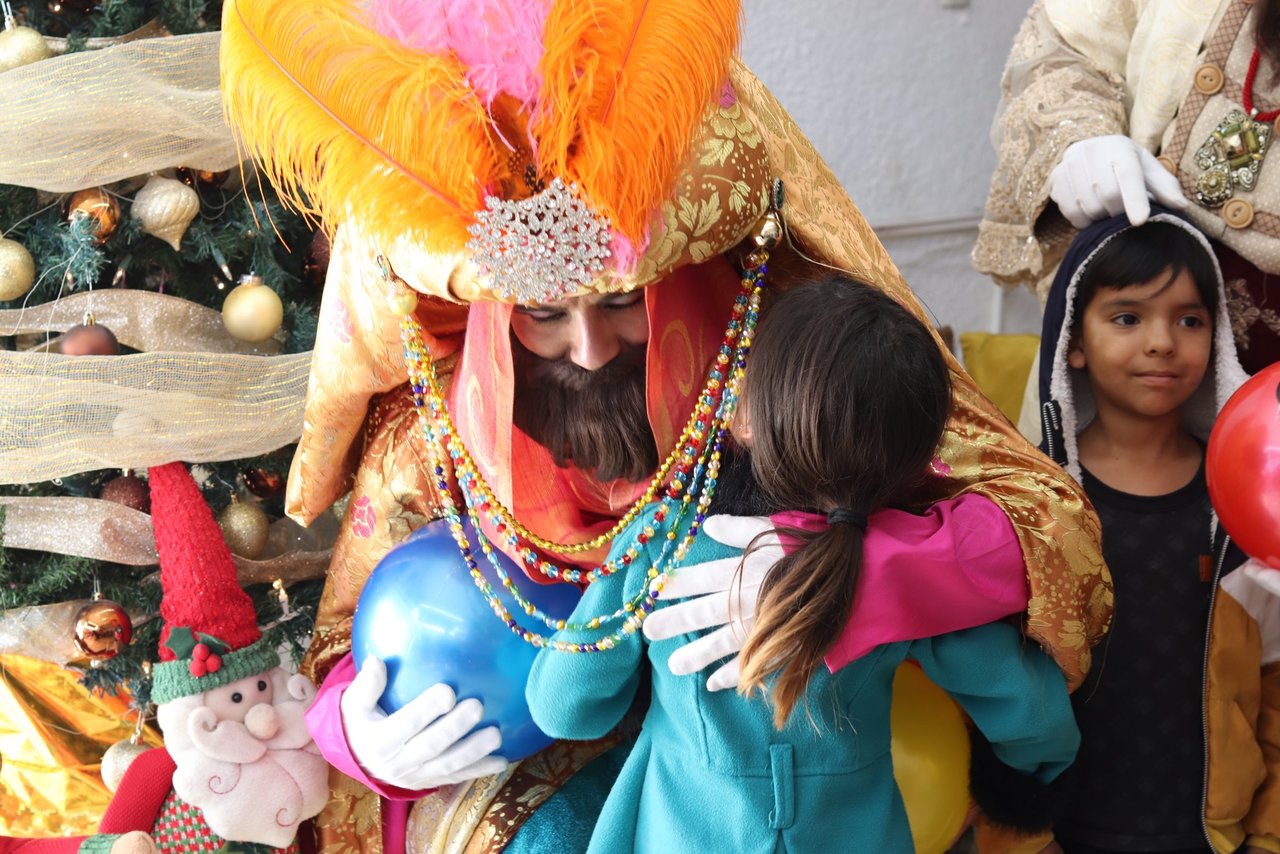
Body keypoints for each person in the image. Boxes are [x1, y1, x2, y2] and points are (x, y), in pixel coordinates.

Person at [220, 0, 1112, 850]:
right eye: (540, 314)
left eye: (619, 302)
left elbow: (1045, 524)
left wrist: (859, 578)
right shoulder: (443, 420)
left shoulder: (798, 365)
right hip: (548, 772)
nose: (591, 349)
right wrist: (361, 739)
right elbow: (347, 638)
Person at [525, 276, 1081, 853]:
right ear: (921, 455)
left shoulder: (666, 538)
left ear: (743, 416)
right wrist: (1027, 777)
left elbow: (566, 707)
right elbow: (1030, 707)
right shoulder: (908, 575)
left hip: (685, 833)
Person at [1035, 208, 1280, 854]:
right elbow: (995, 691)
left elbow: (1276, 679)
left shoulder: (1243, 510)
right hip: (1064, 833)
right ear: (1073, 342)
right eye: (1127, 317)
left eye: (1190, 320)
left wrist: (1268, 833)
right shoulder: (1038, 505)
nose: (1162, 342)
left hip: (1213, 837)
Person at [974, 0, 1280, 438]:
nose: (1162, 344)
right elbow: (1067, 42)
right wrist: (1075, 136)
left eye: (1187, 322)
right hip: (1110, 398)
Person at [0, 462, 329, 853]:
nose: (261, 717)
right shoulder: (158, 770)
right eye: (237, 698)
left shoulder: (302, 760)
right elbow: (110, 842)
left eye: (261, 689)